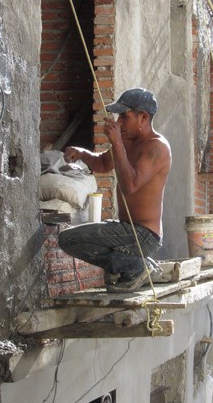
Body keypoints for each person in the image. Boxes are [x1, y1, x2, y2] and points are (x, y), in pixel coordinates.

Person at [58, 87, 172, 292]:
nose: (119, 123)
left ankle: (136, 267)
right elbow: (102, 164)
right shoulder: (129, 141)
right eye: (119, 117)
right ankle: (139, 267)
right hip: (128, 229)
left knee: (69, 239)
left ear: (143, 117)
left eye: (125, 117)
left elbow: (130, 186)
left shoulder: (157, 148)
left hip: (143, 235)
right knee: (68, 239)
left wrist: (118, 142)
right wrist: (82, 153)